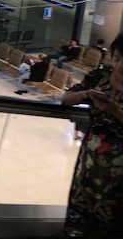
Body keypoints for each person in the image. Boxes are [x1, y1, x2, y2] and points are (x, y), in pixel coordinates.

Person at [61, 33, 123, 237]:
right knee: (84, 213)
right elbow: (66, 99)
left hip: (119, 172)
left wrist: (115, 111)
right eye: (117, 58)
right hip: (91, 162)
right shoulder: (99, 77)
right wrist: (86, 94)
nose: (120, 65)